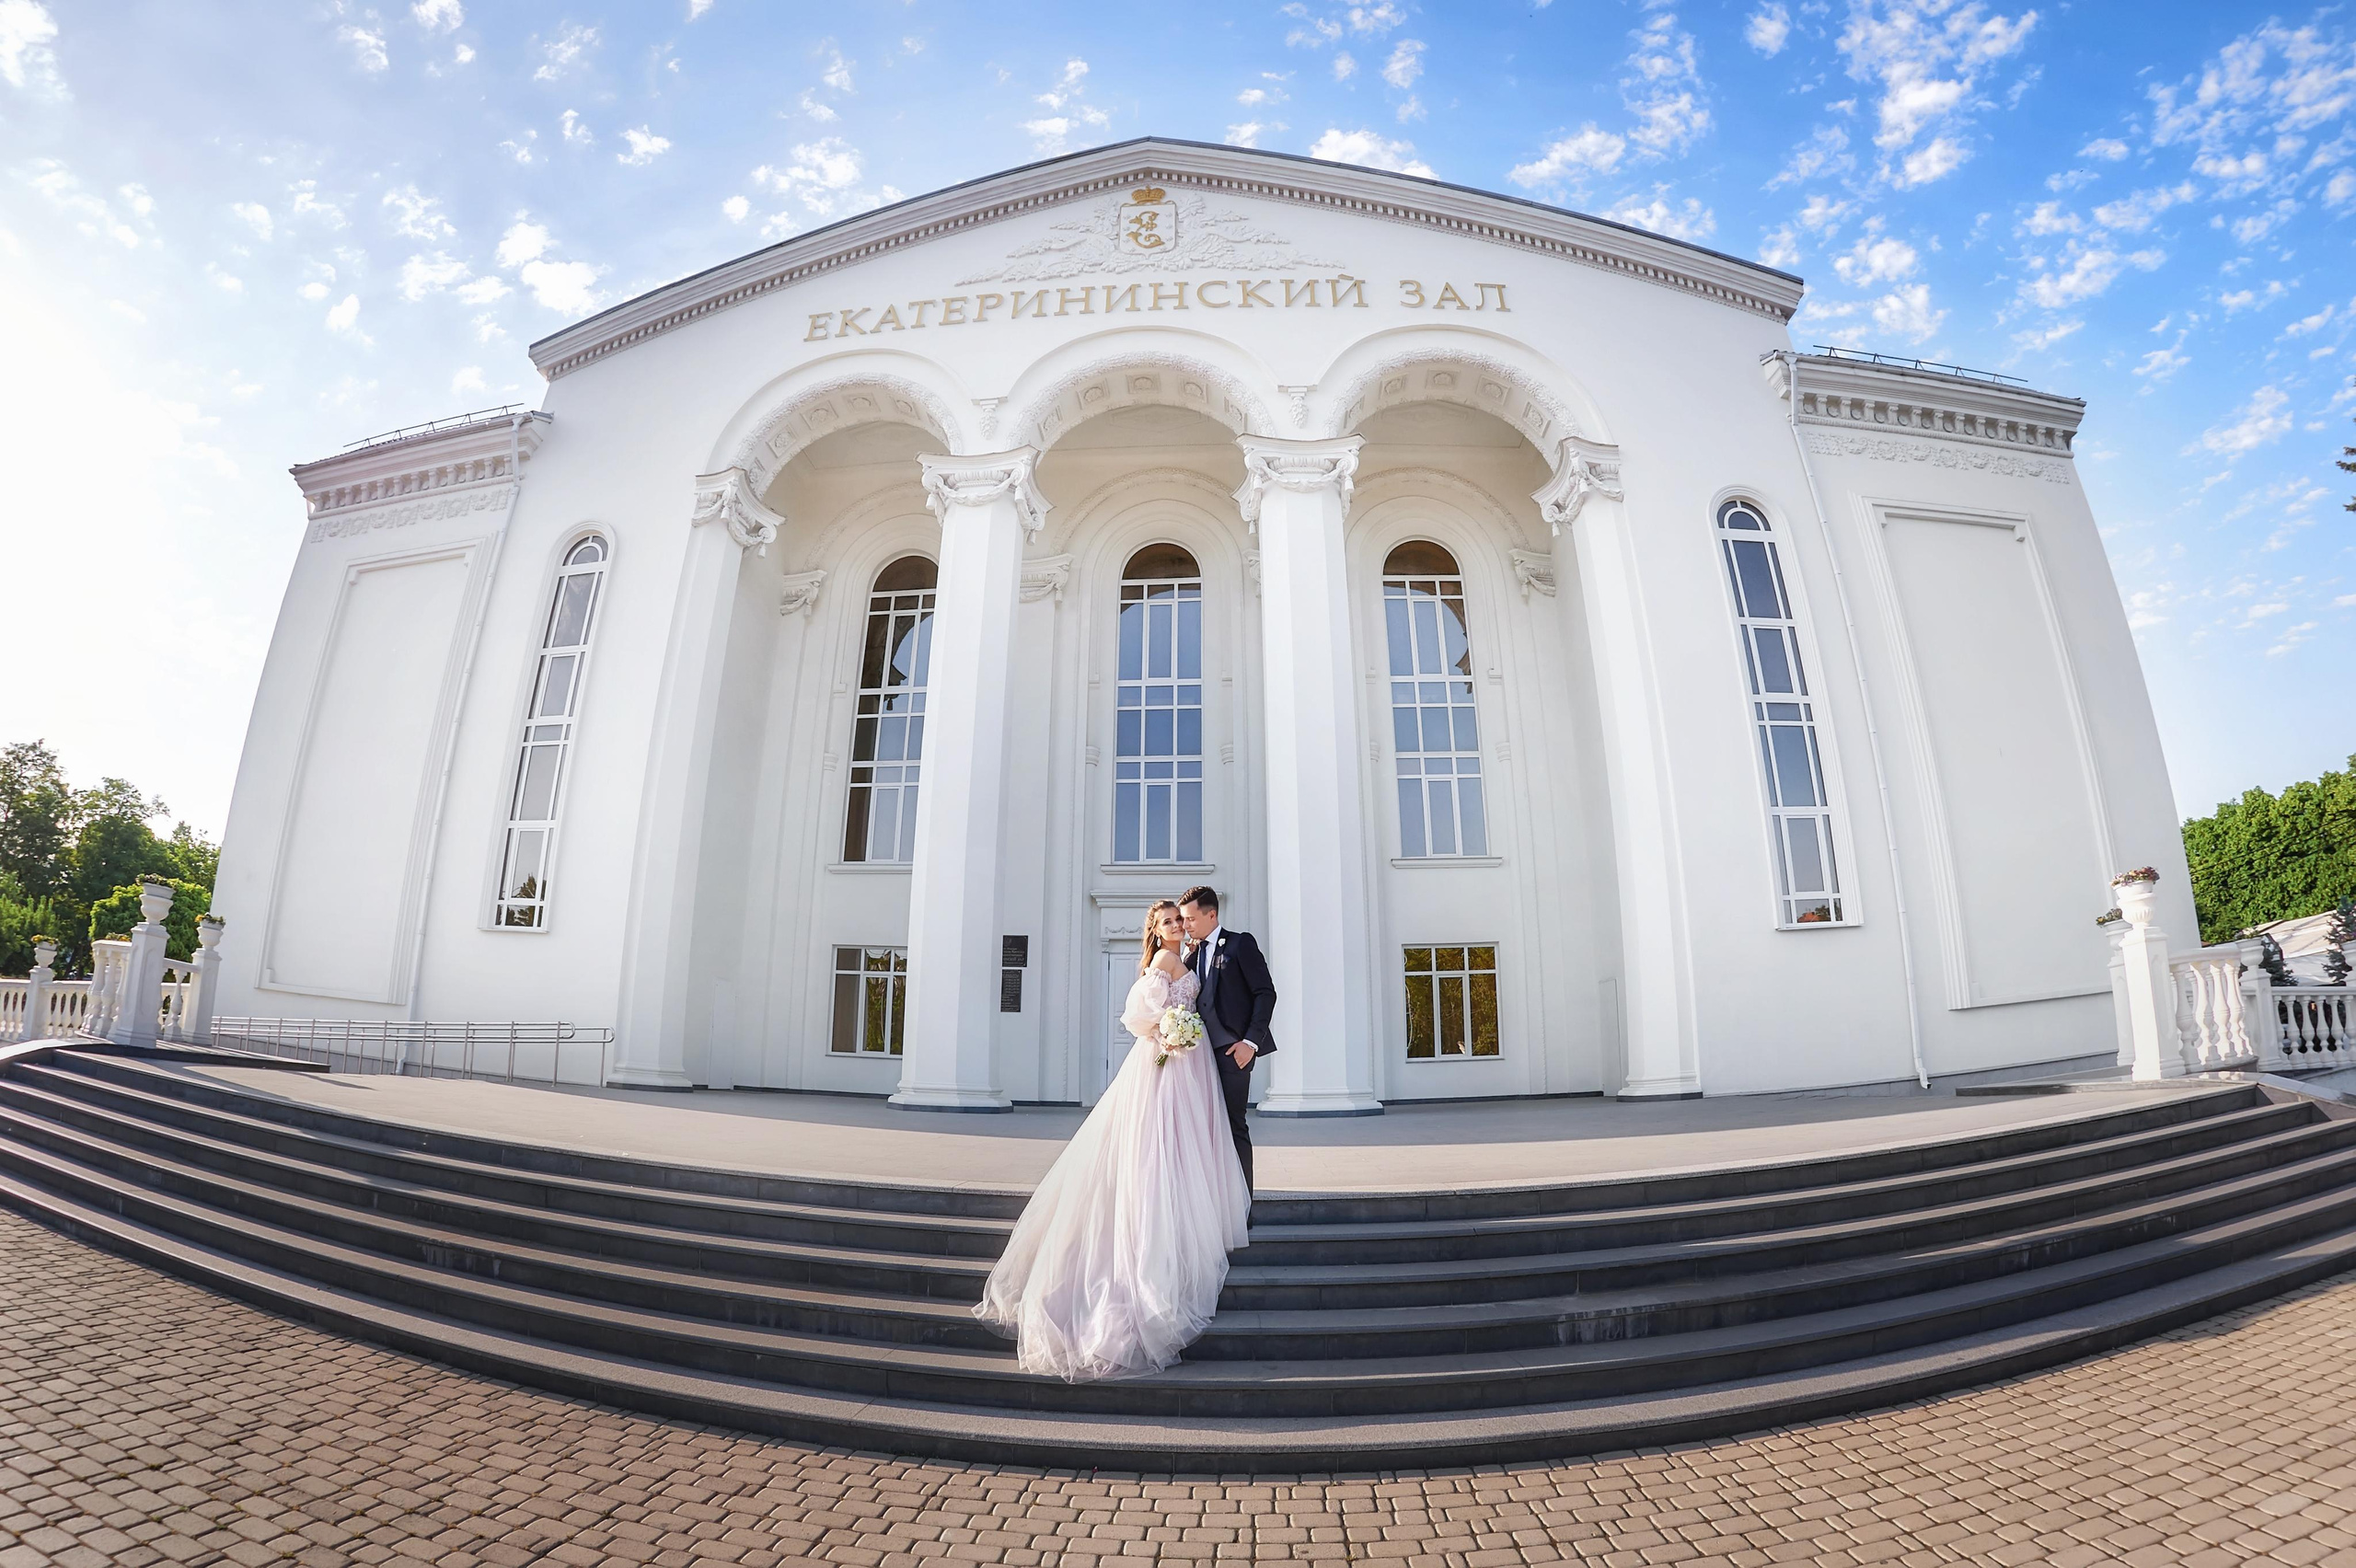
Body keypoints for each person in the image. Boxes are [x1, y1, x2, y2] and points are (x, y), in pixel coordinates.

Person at [973, 899, 1252, 1380]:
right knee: (1159, 1140)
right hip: (1169, 1062)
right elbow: (1137, 1016)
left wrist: (1184, 1032)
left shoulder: (1188, 957)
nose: (1176, 926)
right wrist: (1169, 1033)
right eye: (1168, 922)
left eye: (1179, 920)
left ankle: (1184, 1204)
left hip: (1193, 1064)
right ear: (1156, 930)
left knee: (1185, 1141)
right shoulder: (1164, 960)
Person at [1176, 884, 1277, 1192]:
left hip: (1234, 1053)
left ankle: (1243, 1204)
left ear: (1212, 915)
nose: (1185, 925)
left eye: (1191, 918)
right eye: (1183, 919)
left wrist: (1250, 1043)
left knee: (1234, 1126)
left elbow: (1265, 993)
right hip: (1199, 1055)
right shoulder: (1192, 955)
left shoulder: (1240, 944)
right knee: (1203, 1128)